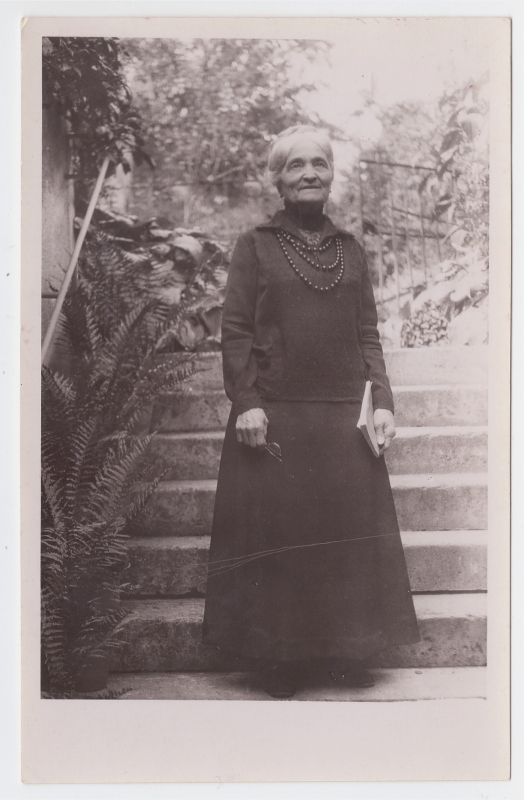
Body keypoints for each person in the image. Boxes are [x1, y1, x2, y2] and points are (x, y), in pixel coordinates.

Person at [202, 125, 420, 698]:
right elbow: (236, 331)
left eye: (318, 164)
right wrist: (245, 401)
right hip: (276, 416)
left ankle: (341, 653)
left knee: (339, 540)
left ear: (330, 174)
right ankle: (279, 659)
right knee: (283, 539)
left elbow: (367, 332)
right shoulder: (255, 245)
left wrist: (384, 402)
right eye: (295, 165)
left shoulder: (351, 249)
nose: (308, 174)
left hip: (342, 417)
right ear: (277, 178)